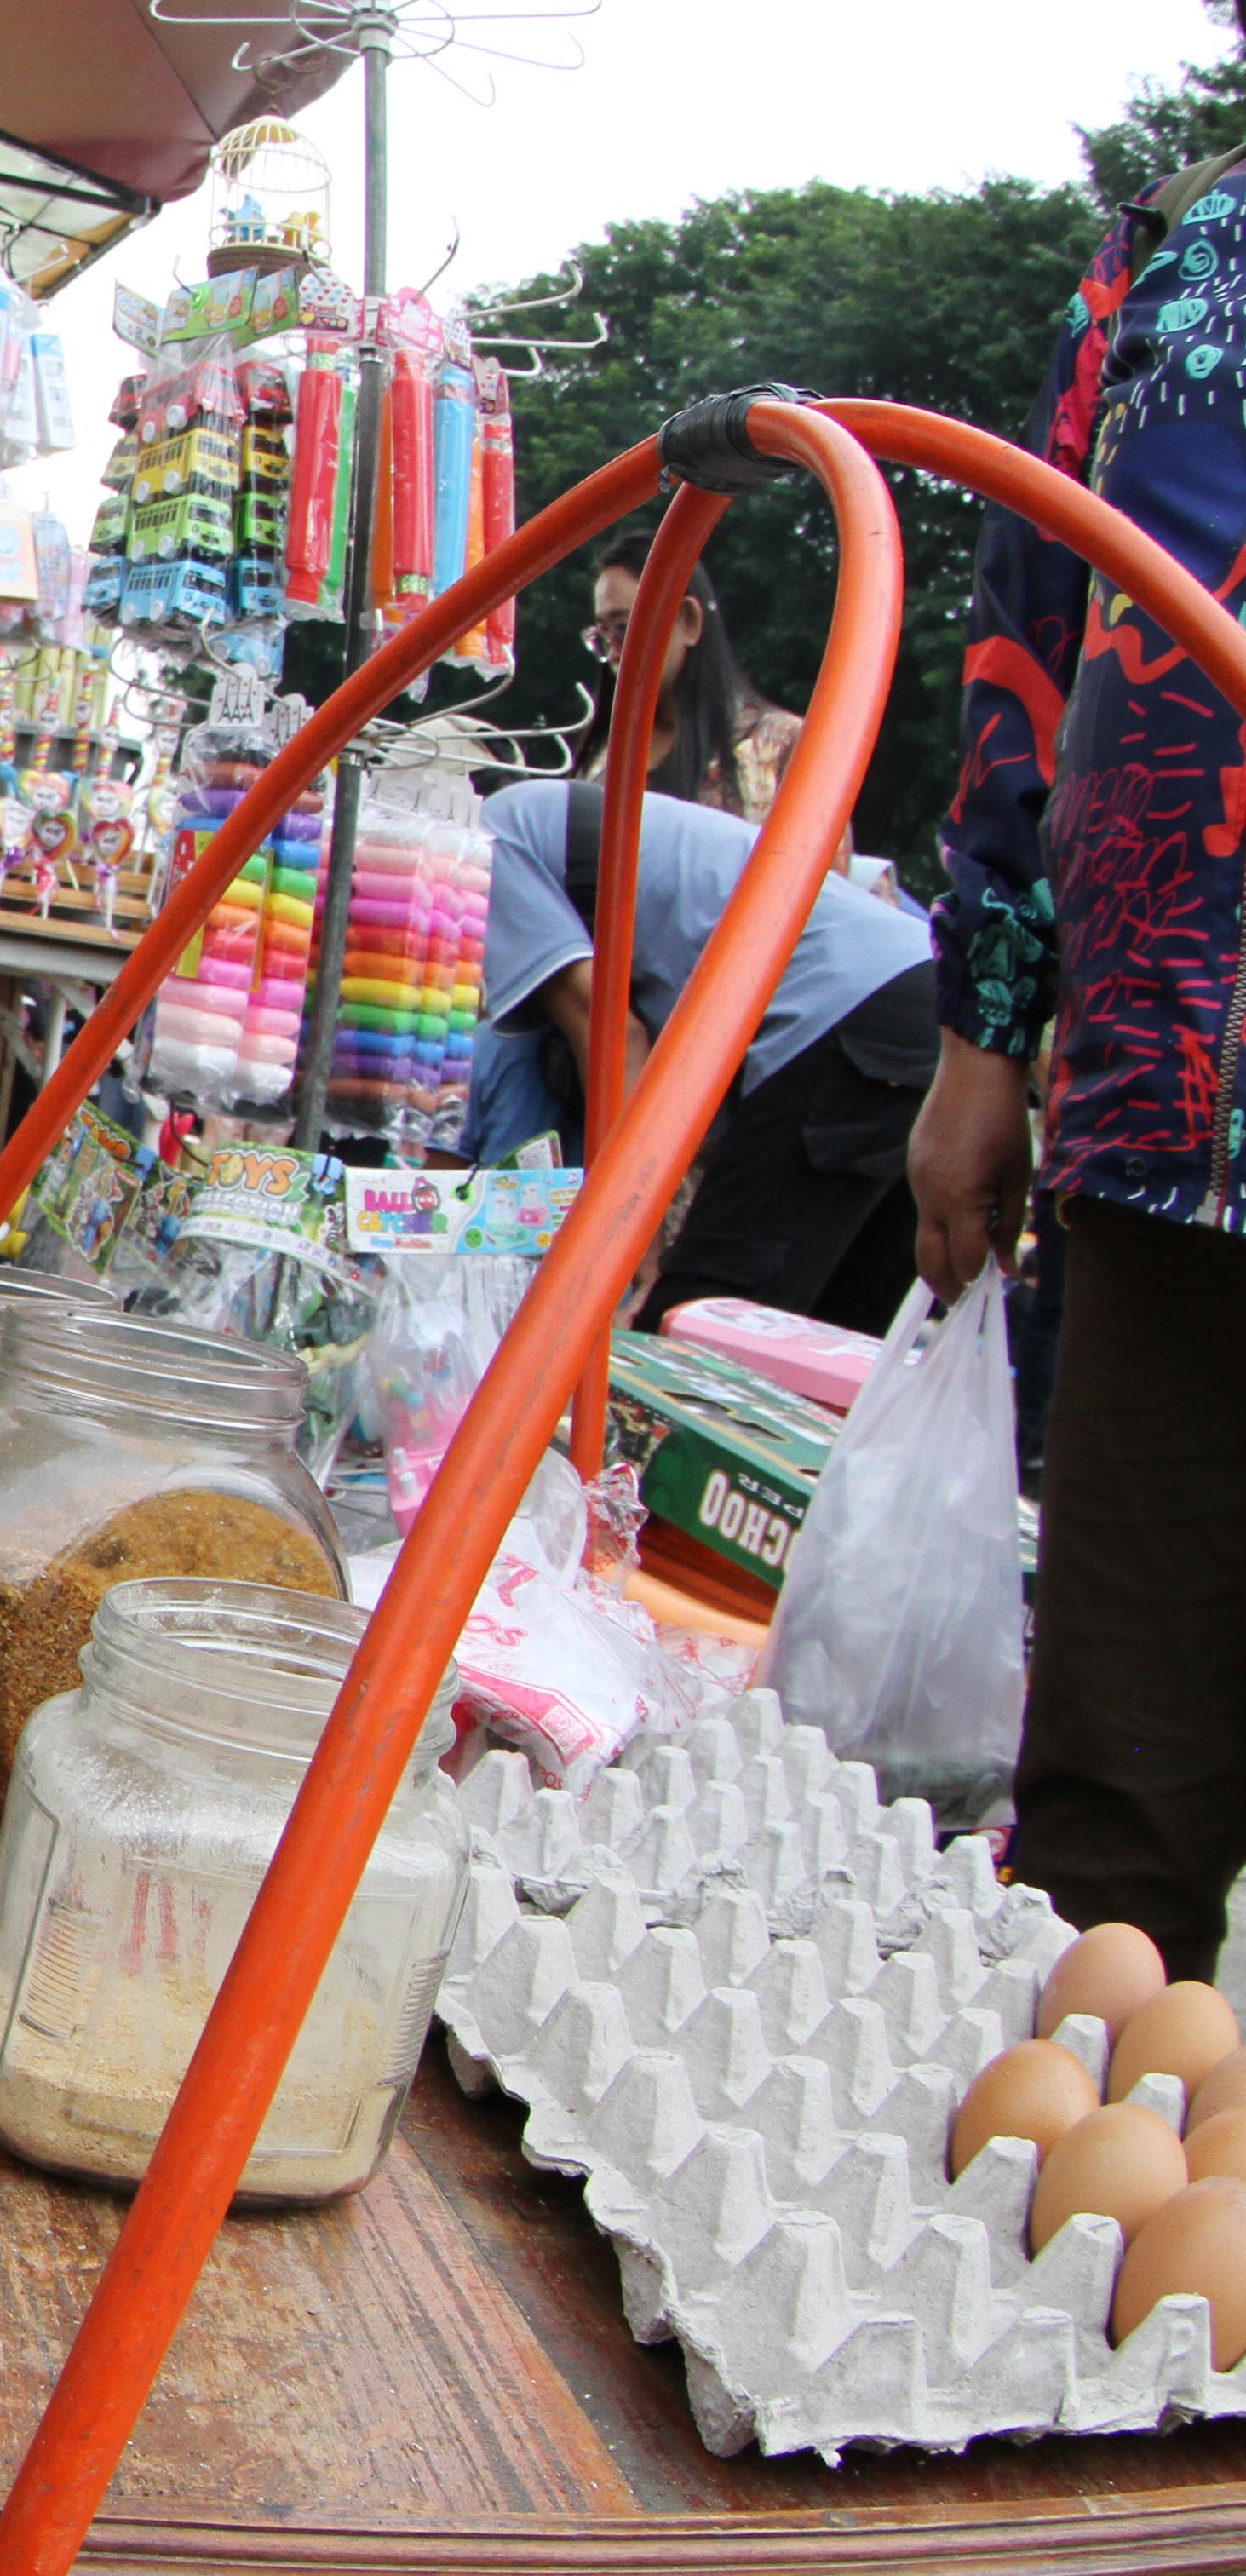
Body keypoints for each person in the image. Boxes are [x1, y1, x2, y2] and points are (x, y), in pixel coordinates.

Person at [918, 130, 1246, 1975]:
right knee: (1114, 1825)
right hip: (1172, 1123)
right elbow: (1033, 638)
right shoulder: (1180, 245)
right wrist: (986, 1033)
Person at [470, 779, 936, 1331]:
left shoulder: (488, 842)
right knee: (830, 1334)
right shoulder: (559, 829)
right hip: (925, 994)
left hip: (845, 1009)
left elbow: (612, 1035)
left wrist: (626, 1238)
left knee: (699, 1324)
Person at [569, 538, 807, 820]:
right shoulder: (603, 756)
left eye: (623, 628)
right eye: (603, 636)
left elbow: (825, 861)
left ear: (689, 621)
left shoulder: (778, 745)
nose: (614, 652)